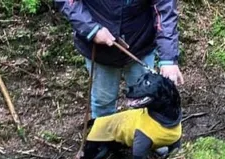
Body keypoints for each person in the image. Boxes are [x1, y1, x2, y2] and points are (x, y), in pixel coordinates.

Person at [54, 0, 184, 120]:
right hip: (100, 50)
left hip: (141, 44)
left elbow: (165, 10)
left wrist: (168, 59)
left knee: (145, 101)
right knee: (103, 103)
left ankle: (147, 140)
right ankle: (103, 140)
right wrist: (91, 29)